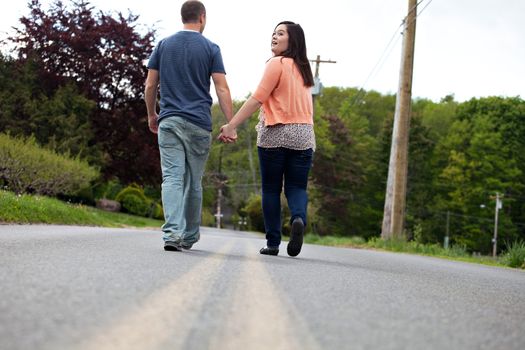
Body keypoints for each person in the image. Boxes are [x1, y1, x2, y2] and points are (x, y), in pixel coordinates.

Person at [219, 21, 315, 257]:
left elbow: (257, 99)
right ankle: (298, 219)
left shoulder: (276, 63)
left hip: (275, 132)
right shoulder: (304, 68)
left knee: (271, 189)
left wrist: (231, 125)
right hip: (304, 135)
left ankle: (273, 243)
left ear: (292, 41)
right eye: (273, 33)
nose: (274, 36)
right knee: (296, 187)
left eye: (280, 33)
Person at [144, 0, 233, 251]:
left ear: (183, 17)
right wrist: (231, 123)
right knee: (193, 181)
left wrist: (152, 114)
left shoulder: (163, 45)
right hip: (198, 124)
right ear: (202, 17)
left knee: (171, 178)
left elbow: (150, 86)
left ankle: (171, 234)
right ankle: (190, 236)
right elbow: (221, 87)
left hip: (169, 120)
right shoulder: (211, 48)